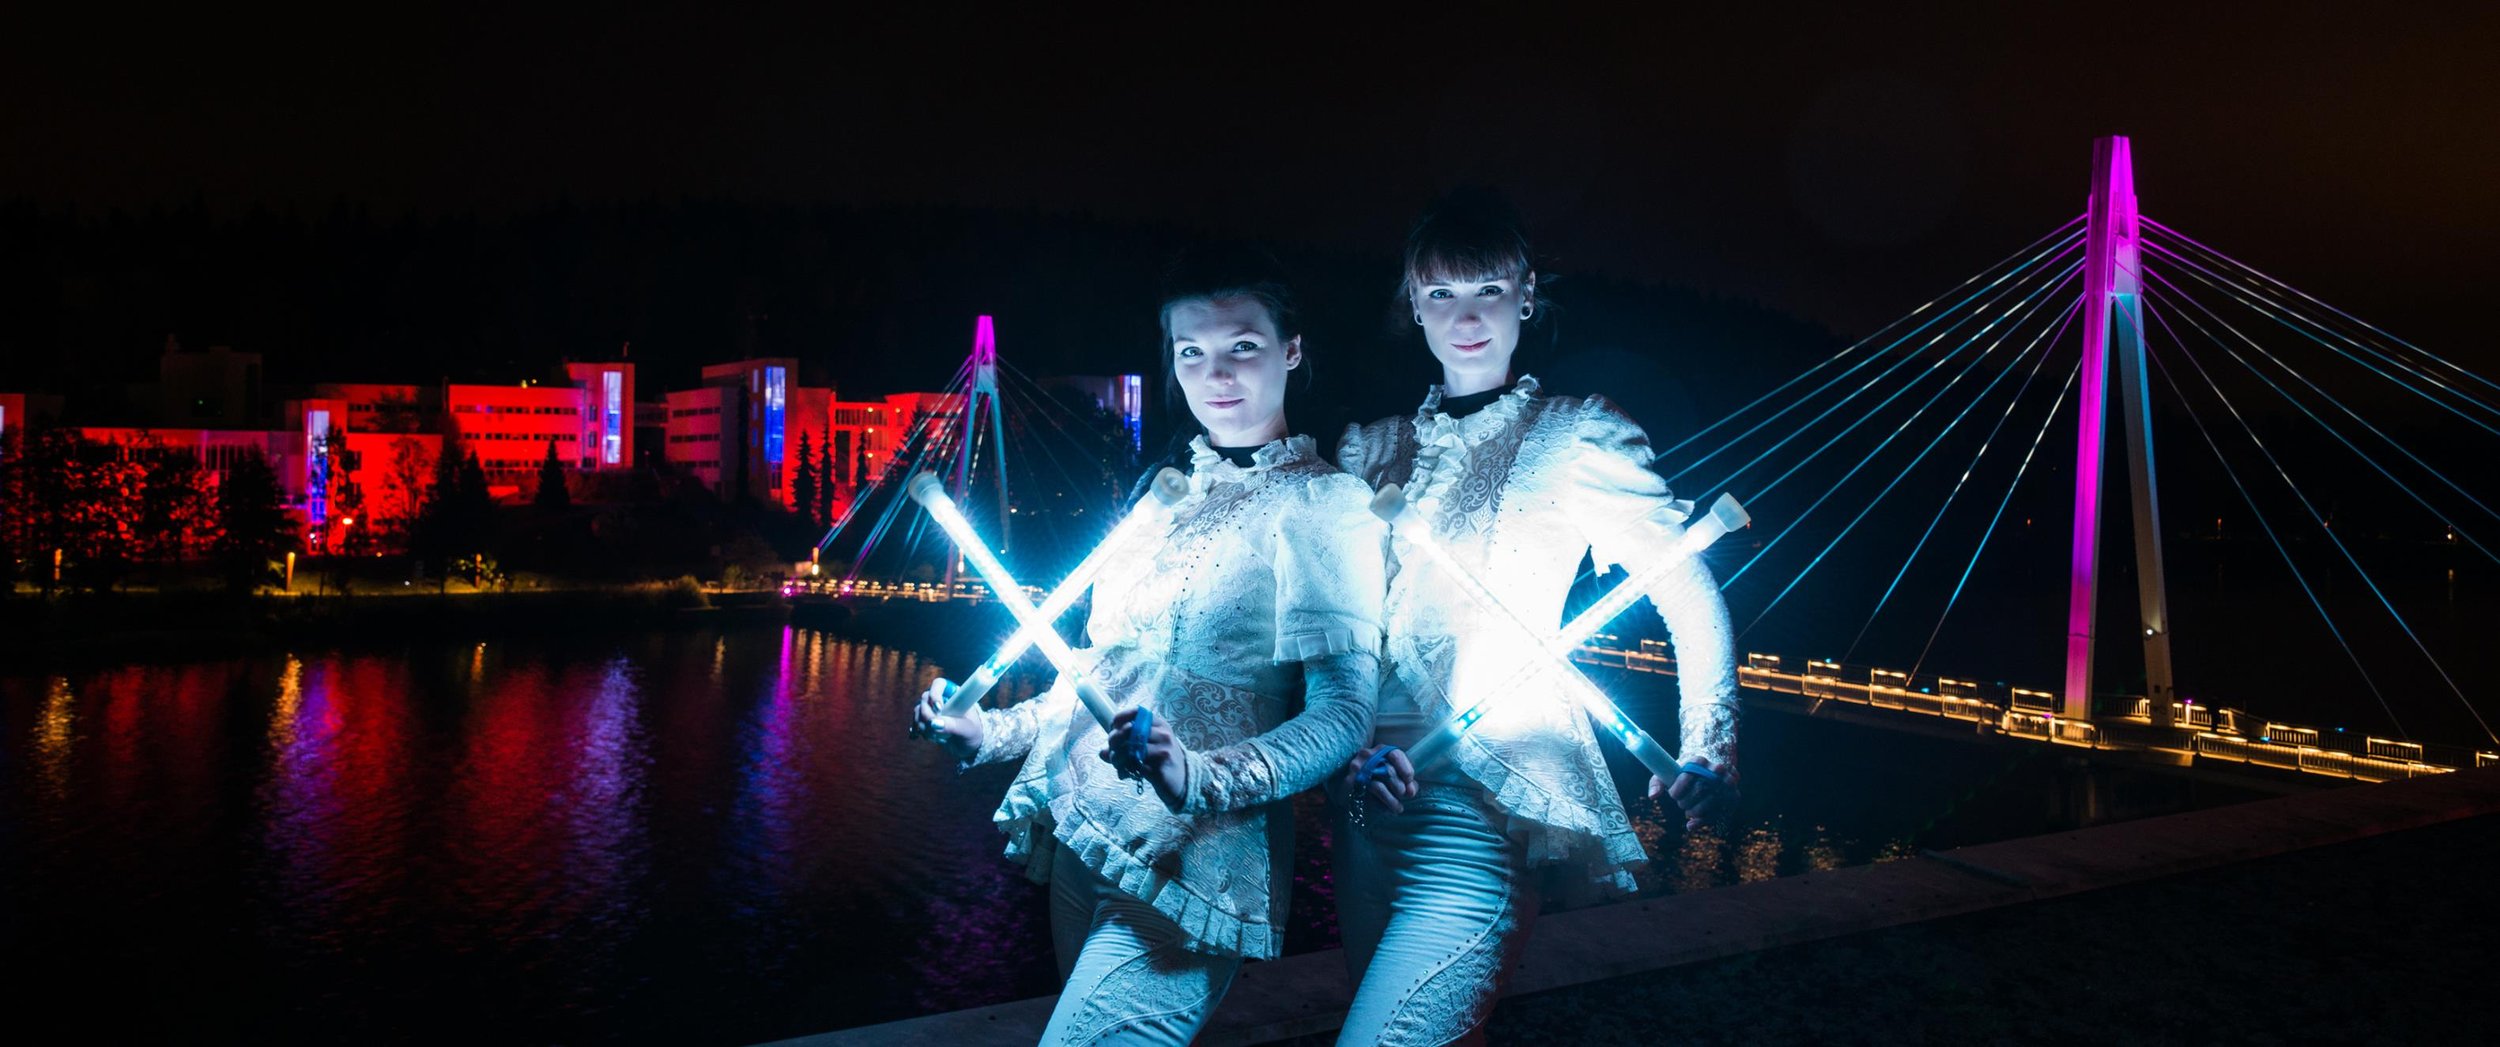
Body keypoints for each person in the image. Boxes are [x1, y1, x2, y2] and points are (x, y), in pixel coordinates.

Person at [914, 249, 1385, 1045]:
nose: (1216, 373)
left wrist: (1197, 774)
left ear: (1292, 350)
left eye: (1242, 345)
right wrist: (985, 731)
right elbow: (1096, 674)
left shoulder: (1325, 504)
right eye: (1190, 352)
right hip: (1085, 840)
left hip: (1196, 863)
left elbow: (1344, 712)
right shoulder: (1159, 498)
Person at [1329, 190, 1741, 1046]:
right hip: (1369, 804)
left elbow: (1685, 588)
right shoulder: (1372, 450)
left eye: (1487, 288)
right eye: (1440, 293)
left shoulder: (1579, 436)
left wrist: (1709, 740)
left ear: (1526, 295)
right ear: (1413, 304)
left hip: (1485, 804)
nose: (1464, 315)